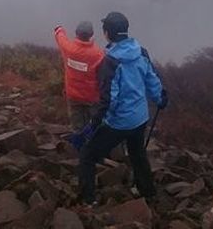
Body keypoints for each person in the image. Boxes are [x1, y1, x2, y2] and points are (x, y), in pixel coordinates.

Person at [78, 12, 167, 206]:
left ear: (107, 33)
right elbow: (152, 80)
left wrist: (95, 122)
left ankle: (88, 200)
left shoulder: (110, 62)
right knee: (137, 153)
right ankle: (148, 193)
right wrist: (160, 99)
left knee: (87, 155)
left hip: (119, 122)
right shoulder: (141, 52)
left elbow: (110, 99)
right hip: (140, 118)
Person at [54, 22, 105, 130]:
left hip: (73, 96)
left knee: (77, 126)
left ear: (76, 33)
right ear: (91, 35)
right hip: (92, 97)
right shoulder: (98, 54)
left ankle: (79, 143)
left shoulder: (69, 48)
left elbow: (60, 38)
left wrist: (59, 29)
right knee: (95, 127)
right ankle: (92, 143)